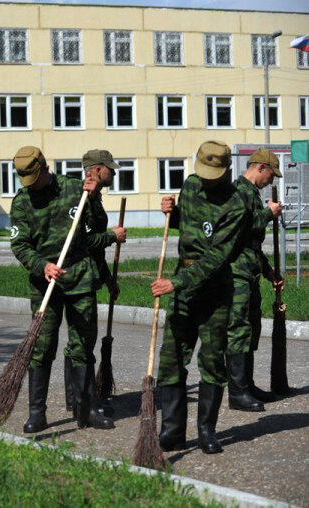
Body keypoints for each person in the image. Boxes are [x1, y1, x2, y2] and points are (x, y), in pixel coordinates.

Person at [8, 146, 114, 433]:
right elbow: (19, 245)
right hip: (45, 284)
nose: (30, 184)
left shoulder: (72, 189)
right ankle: (37, 413)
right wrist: (41, 265)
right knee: (41, 347)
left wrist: (91, 199)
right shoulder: (22, 202)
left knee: (83, 345)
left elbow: (96, 228)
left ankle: (87, 409)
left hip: (79, 278)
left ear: (44, 167)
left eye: (34, 177)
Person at [152, 141, 247, 455]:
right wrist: (172, 213)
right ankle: (171, 431)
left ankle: (207, 430)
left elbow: (216, 257)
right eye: (204, 173)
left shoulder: (236, 204)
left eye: (213, 175)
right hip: (181, 289)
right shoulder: (191, 185)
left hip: (213, 291)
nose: (206, 180)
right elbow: (191, 227)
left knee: (211, 362)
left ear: (226, 171)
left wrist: (175, 283)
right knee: (171, 360)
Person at [63, 150, 127, 413]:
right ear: (96, 169)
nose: (113, 173)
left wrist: (108, 279)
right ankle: (82, 400)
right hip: (77, 279)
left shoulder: (94, 197)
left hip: (91, 273)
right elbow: (85, 242)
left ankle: (77, 397)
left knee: (80, 341)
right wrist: (113, 237)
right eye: (109, 168)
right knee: (83, 341)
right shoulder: (83, 198)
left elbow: (95, 252)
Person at [225, 149, 284, 411]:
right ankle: (237, 393)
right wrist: (268, 214)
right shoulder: (238, 191)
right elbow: (239, 229)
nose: (272, 181)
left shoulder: (252, 193)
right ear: (261, 167)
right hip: (235, 272)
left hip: (250, 270)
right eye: (271, 175)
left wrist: (268, 271)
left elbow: (252, 243)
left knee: (250, 328)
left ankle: (247, 385)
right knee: (238, 329)